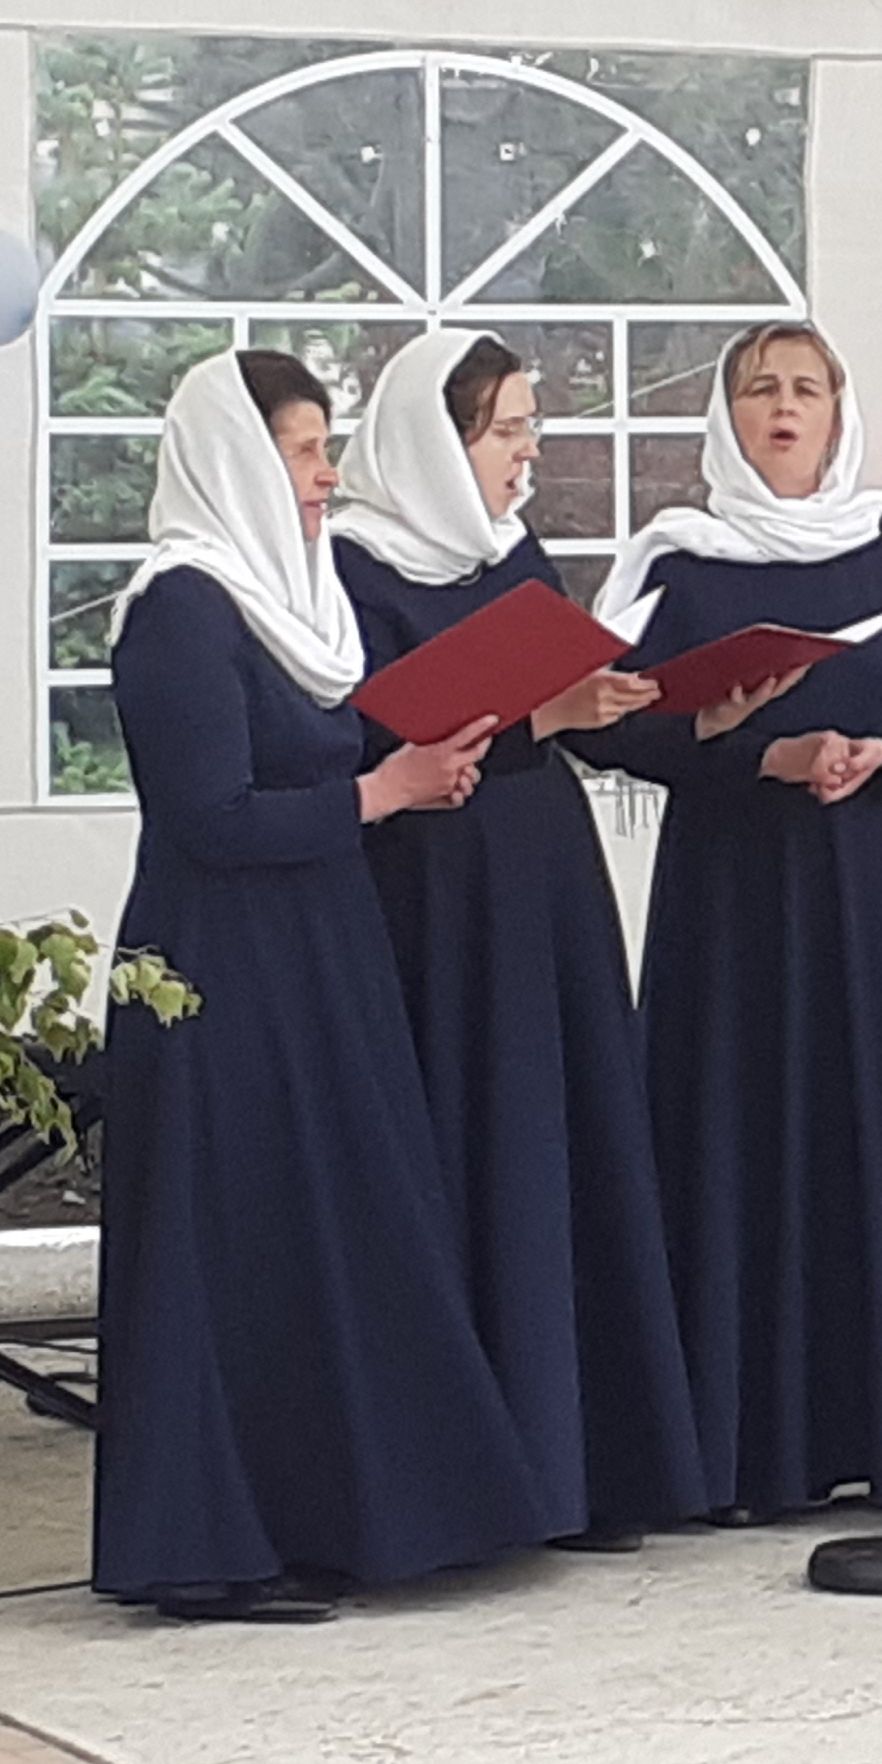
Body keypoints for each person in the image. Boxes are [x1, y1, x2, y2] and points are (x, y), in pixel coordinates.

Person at [94, 348, 551, 1622]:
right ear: (236, 459)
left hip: (319, 948)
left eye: (326, 450)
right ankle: (209, 1548)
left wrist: (410, 774)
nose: (326, 477)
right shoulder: (185, 608)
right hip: (218, 971)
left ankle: (338, 1520)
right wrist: (380, 793)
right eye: (302, 453)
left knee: (323, 1233)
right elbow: (209, 815)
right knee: (232, 1244)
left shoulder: (296, 603)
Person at [580, 321, 882, 1522]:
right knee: (743, 1137)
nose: (784, 408)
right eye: (759, 389)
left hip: (874, 885)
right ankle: (753, 1457)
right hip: (735, 900)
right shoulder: (678, 563)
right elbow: (613, 728)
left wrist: (877, 752)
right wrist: (758, 756)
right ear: (726, 416)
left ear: (840, 413)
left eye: (806, 388)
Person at [332, 328, 733, 1546]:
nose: (526, 453)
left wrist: (678, 711)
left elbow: (564, 709)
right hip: (432, 897)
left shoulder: (512, 554)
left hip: (541, 882)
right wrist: (537, 720)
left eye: (527, 428)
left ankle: (584, 1469)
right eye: (506, 430)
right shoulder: (354, 568)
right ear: (439, 438)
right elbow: (369, 741)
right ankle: (477, 1476)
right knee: (470, 1152)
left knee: (562, 1152)